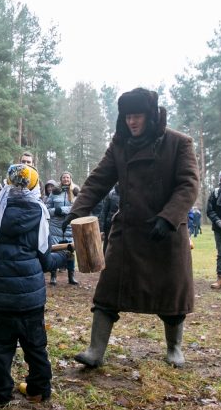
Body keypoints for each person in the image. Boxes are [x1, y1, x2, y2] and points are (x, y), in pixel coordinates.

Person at [64, 87, 199, 368]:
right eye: (127, 117)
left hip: (167, 233)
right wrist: (78, 210)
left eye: (137, 116)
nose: (132, 122)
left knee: (171, 297)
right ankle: (95, 350)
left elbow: (188, 185)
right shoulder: (120, 145)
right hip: (129, 232)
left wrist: (168, 217)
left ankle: (174, 348)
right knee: (108, 292)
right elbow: (99, 179)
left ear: (150, 116)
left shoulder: (179, 143)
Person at [0, 164, 71, 406]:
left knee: (1, 349)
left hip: (1, 299)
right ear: (34, 186)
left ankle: (0, 394)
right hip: (30, 300)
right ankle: (38, 389)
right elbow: (46, 260)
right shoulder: (39, 216)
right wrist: (64, 258)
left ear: (8, 184)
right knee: (36, 346)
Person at [45, 171, 79, 285]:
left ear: (71, 179)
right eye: (64, 177)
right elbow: (47, 208)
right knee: (54, 250)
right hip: (55, 227)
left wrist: (63, 210)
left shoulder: (76, 192)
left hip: (70, 226)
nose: (66, 179)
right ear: (61, 179)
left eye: (67, 177)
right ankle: (53, 276)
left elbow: (77, 208)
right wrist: (56, 211)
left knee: (70, 251)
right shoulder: (54, 192)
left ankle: (71, 276)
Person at [99, 183, 121, 253]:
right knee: (107, 247)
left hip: (124, 225)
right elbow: (104, 212)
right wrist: (101, 229)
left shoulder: (130, 193)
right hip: (110, 225)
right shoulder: (110, 194)